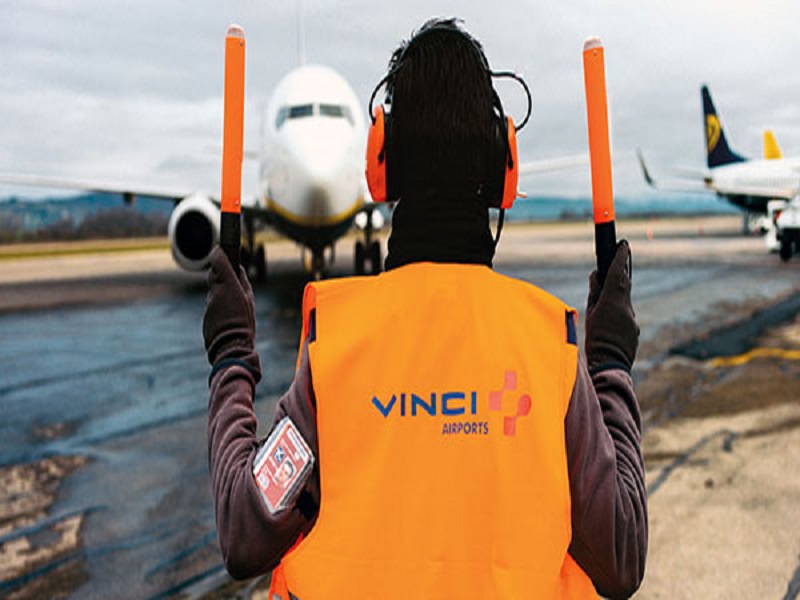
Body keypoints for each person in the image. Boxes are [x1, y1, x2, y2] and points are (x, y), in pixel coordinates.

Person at [204, 18, 647, 599]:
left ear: (379, 163)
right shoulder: (548, 348)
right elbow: (620, 557)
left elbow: (245, 532)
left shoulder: (338, 348)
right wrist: (609, 364)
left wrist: (232, 357)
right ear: (504, 166)